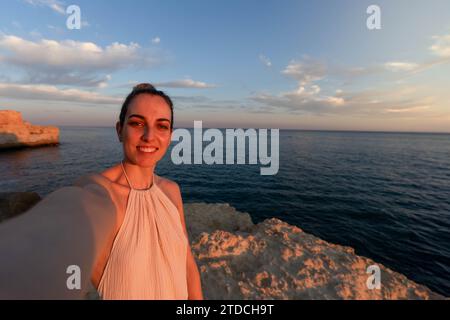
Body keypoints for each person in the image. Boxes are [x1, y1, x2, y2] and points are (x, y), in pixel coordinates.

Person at [0, 83, 203, 300]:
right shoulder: (101, 191)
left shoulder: (172, 190)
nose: (149, 135)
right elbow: (66, 217)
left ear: (170, 135)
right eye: (137, 123)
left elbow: (187, 261)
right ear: (119, 130)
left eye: (161, 126)